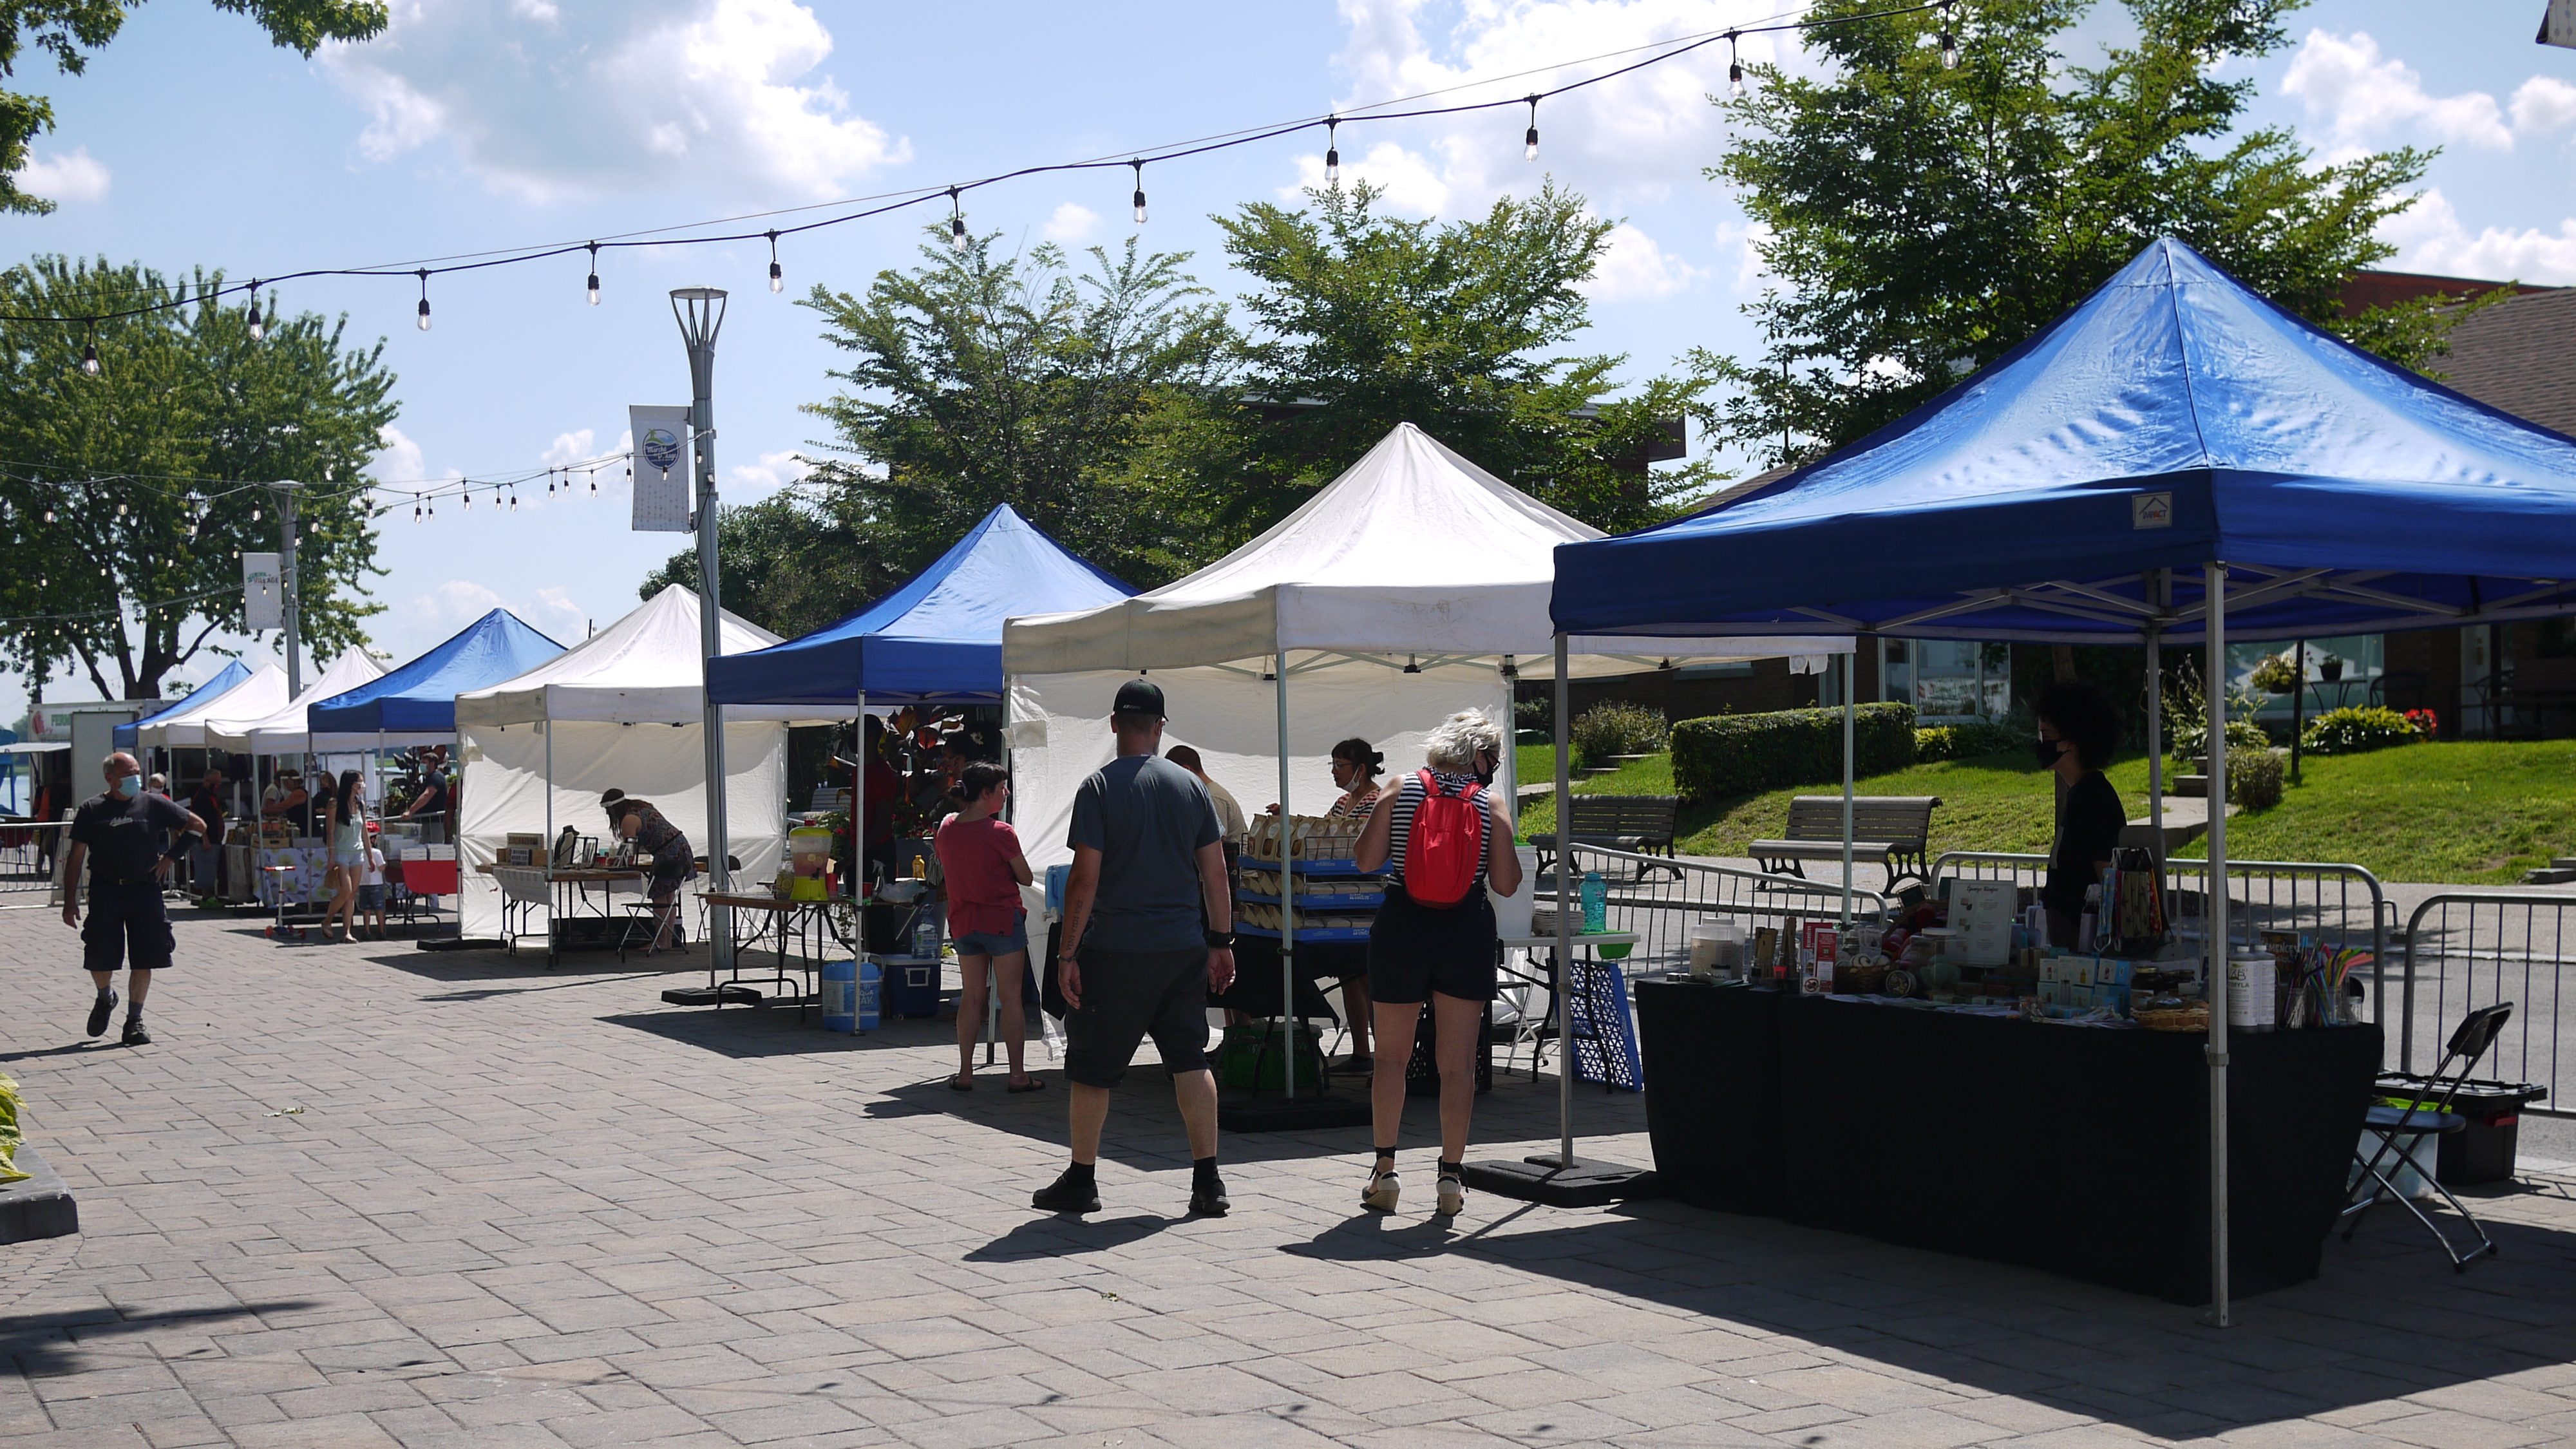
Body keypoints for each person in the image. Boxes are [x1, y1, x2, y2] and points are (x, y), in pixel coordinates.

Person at [1037, 679, 1237, 1217]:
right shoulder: (1191, 788)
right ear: (1160, 727)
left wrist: (1067, 954)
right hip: (1181, 948)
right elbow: (1215, 873)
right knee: (1190, 1059)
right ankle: (1208, 1181)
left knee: (1092, 1068)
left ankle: (1082, 1179)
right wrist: (1221, 942)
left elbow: (1084, 879)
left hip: (1117, 950)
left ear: (1113, 723)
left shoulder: (1098, 789)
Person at [1352, 710, 1521, 1217]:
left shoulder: (1401, 787)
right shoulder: (1490, 803)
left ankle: (1385, 1173)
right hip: (1464, 929)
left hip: (1403, 925)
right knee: (1456, 1066)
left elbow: (1365, 860)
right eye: (1494, 757)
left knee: (1391, 1059)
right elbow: (1508, 884)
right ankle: (1451, 1178)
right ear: (1479, 756)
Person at [61, 752, 205, 1046]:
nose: (135, 779)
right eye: (128, 774)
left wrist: (170, 857)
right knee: (99, 955)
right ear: (110, 778)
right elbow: (75, 857)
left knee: (146, 955)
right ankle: (105, 997)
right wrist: (69, 900)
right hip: (106, 890)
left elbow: (197, 826)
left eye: (137, 772)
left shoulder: (152, 804)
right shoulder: (92, 809)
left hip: (144, 890)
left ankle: (134, 1020)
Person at [936, 761, 1039, 1093]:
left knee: (972, 996)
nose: (1006, 794)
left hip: (964, 921)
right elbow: (1026, 877)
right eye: (1002, 789)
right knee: (1010, 998)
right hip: (1001, 921)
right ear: (985, 794)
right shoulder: (1001, 832)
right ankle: (1017, 1074)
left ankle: (965, 1072)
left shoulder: (947, 828)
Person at [2034, 680, 2127, 951]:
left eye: (2047, 735)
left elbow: (2108, 879)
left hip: (2085, 948)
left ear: (2072, 743)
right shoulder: (2081, 794)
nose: (2041, 744)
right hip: (2072, 944)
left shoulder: (2093, 798)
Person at [602, 790, 694, 951]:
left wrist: (616, 863)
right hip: (681, 848)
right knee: (669, 896)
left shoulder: (628, 820)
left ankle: (661, 942)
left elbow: (629, 851)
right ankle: (667, 940)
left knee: (658, 897)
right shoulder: (641, 807)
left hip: (668, 854)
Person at [1164, 746, 1245, 845]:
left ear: (1185, 770)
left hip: (1231, 858)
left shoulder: (1213, 797)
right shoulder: (1207, 794)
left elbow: (1216, 840)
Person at [321, 769, 367, 942]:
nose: (362, 785)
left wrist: (370, 856)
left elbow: (364, 832)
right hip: (341, 852)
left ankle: (347, 931)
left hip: (357, 852)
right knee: (345, 890)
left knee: (351, 893)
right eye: (359, 782)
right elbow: (330, 831)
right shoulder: (335, 804)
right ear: (351, 784)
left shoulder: (360, 804)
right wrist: (331, 856)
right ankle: (328, 920)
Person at [185, 768, 227, 898]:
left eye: (219, 782)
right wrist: (205, 840)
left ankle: (210, 896)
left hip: (215, 839)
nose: (218, 785)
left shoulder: (211, 796)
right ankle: (206, 898)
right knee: (205, 870)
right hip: (206, 841)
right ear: (206, 781)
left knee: (211, 869)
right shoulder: (202, 797)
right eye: (215, 782)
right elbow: (199, 821)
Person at [357, 824, 390, 940]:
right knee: (379, 908)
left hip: (363, 883)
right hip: (376, 884)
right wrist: (385, 864)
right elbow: (381, 868)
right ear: (372, 839)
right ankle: (381, 931)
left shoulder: (359, 853)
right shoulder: (376, 852)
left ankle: (367, 931)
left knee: (366, 909)